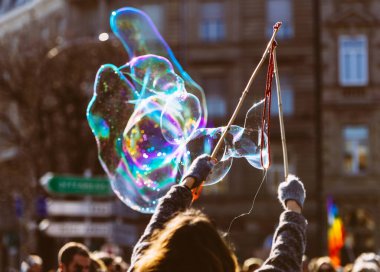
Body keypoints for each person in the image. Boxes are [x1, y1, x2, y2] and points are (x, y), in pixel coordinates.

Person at [128, 154, 307, 272]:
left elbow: (153, 235)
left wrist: (188, 183)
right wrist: (293, 205)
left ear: (163, 250)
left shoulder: (143, 267)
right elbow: (285, 259)